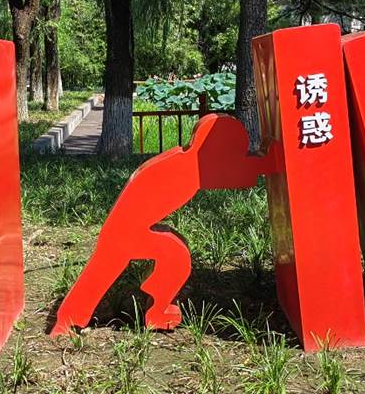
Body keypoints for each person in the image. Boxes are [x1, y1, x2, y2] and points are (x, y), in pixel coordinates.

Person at [51, 114, 275, 333]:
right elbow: (236, 176)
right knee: (175, 256)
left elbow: (231, 173)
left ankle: (73, 316)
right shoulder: (190, 167)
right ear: (214, 148)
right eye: (233, 151)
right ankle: (155, 312)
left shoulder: (182, 159)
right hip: (125, 233)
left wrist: (261, 159)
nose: (234, 157)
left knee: (123, 265)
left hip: (125, 230)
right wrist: (267, 161)